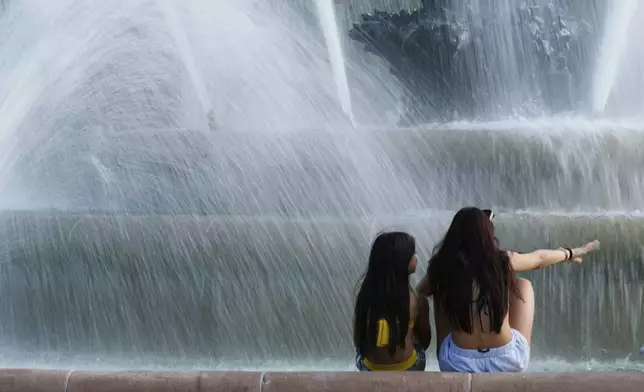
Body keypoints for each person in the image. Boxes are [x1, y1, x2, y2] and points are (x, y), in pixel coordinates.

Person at [416, 207, 599, 373]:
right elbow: (539, 258)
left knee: (440, 291)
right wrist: (569, 253)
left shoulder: (442, 267)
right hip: (507, 360)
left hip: (457, 363)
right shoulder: (502, 261)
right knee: (522, 285)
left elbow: (418, 295)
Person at [353, 231, 432, 371]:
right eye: (413, 254)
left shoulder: (365, 295)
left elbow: (358, 338)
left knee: (360, 353)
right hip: (407, 367)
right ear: (404, 262)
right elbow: (425, 341)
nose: (416, 258)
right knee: (417, 346)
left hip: (371, 368)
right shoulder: (418, 299)